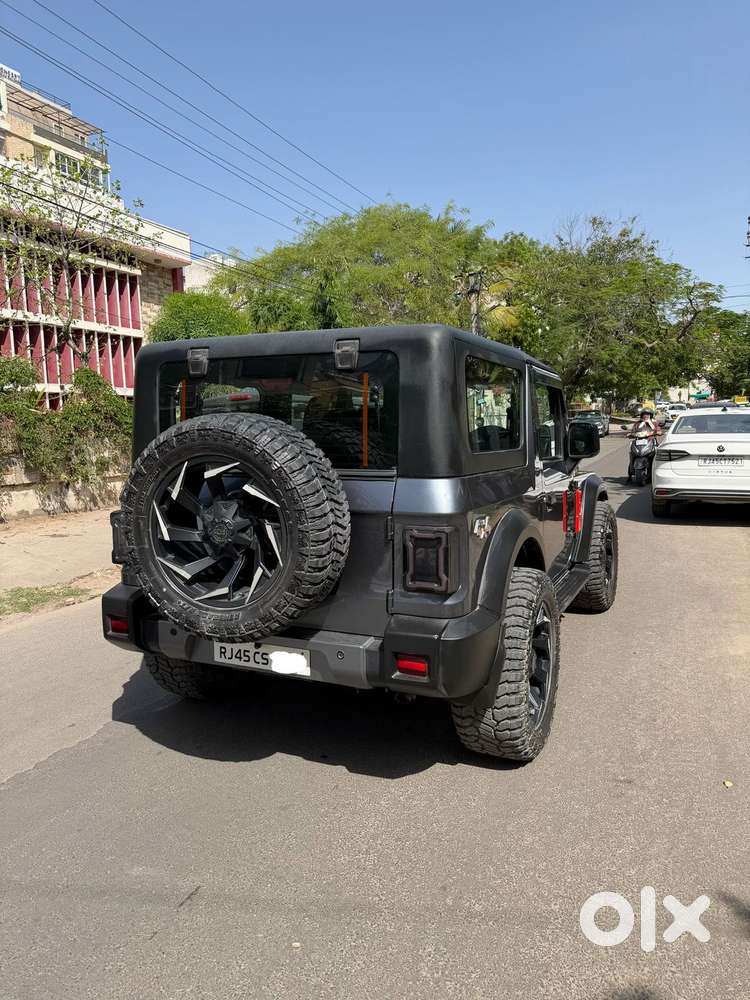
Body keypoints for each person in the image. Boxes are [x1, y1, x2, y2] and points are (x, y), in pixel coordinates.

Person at [627, 408, 660, 481]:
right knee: (632, 452)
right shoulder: (638, 423)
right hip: (638, 441)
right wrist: (630, 434)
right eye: (644, 414)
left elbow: (658, 430)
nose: (646, 416)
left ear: (650, 415)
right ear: (642, 415)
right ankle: (631, 470)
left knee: (656, 453)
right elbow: (633, 431)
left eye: (648, 414)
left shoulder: (654, 423)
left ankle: (655, 470)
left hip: (650, 441)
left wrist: (658, 432)